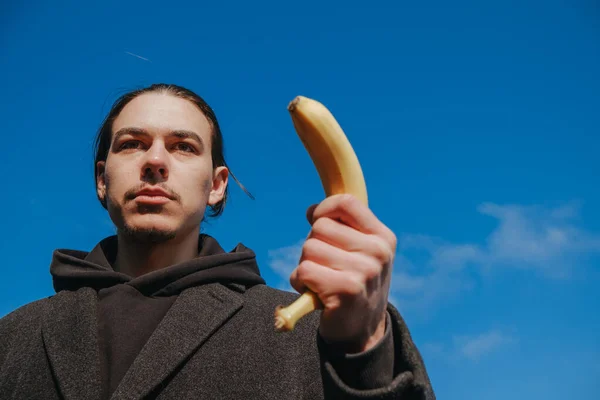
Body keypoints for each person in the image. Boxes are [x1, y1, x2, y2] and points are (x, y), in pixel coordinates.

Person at [0, 83, 435, 399]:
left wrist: (364, 348)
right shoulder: (15, 335)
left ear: (217, 185)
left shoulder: (303, 331)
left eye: (183, 147)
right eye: (132, 144)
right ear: (101, 178)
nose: (155, 161)